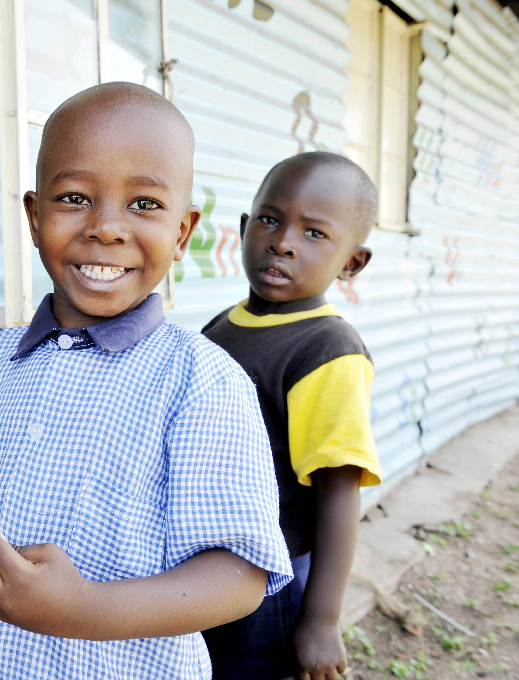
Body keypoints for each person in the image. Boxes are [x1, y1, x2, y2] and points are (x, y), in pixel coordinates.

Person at [0, 82, 294, 680]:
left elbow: (240, 576)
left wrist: (84, 609)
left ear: (183, 231)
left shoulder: (202, 380)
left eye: (144, 204)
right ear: (34, 218)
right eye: (74, 197)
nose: (107, 227)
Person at [200, 151, 383, 680]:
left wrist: (322, 620)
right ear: (243, 228)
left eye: (315, 234)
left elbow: (339, 489)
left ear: (352, 262)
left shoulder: (328, 348)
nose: (283, 242)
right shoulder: (222, 326)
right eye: (271, 219)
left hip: (269, 580)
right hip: (199, 565)